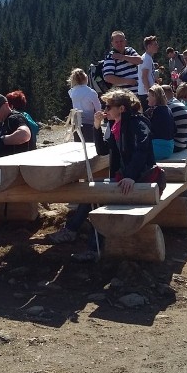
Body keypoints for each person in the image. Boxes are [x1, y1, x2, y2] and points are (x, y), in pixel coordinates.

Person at [46, 89, 160, 261]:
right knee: (92, 191)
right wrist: (97, 127)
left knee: (96, 194)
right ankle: (74, 232)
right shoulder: (117, 126)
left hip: (140, 179)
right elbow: (103, 150)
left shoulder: (137, 124)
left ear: (121, 108)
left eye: (109, 106)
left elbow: (141, 151)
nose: (106, 109)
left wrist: (130, 175)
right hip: (127, 178)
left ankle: (89, 245)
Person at [67, 68, 101, 142]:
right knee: (91, 145)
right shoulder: (91, 92)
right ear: (86, 78)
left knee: (79, 144)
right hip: (89, 123)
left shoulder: (72, 92)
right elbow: (98, 109)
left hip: (76, 122)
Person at [146, 84, 175, 160]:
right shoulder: (168, 109)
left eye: (149, 96)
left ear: (155, 97)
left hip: (156, 149)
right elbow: (174, 130)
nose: (147, 98)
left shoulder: (153, 111)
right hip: (169, 149)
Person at [162, 84, 187, 150]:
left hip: (175, 145)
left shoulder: (168, 107)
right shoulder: (179, 104)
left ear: (162, 95)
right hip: (183, 143)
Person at [137, 35, 159, 110]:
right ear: (149, 46)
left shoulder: (147, 57)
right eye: (155, 44)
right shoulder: (146, 58)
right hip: (145, 93)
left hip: (145, 92)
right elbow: (144, 76)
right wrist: (149, 92)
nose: (157, 46)